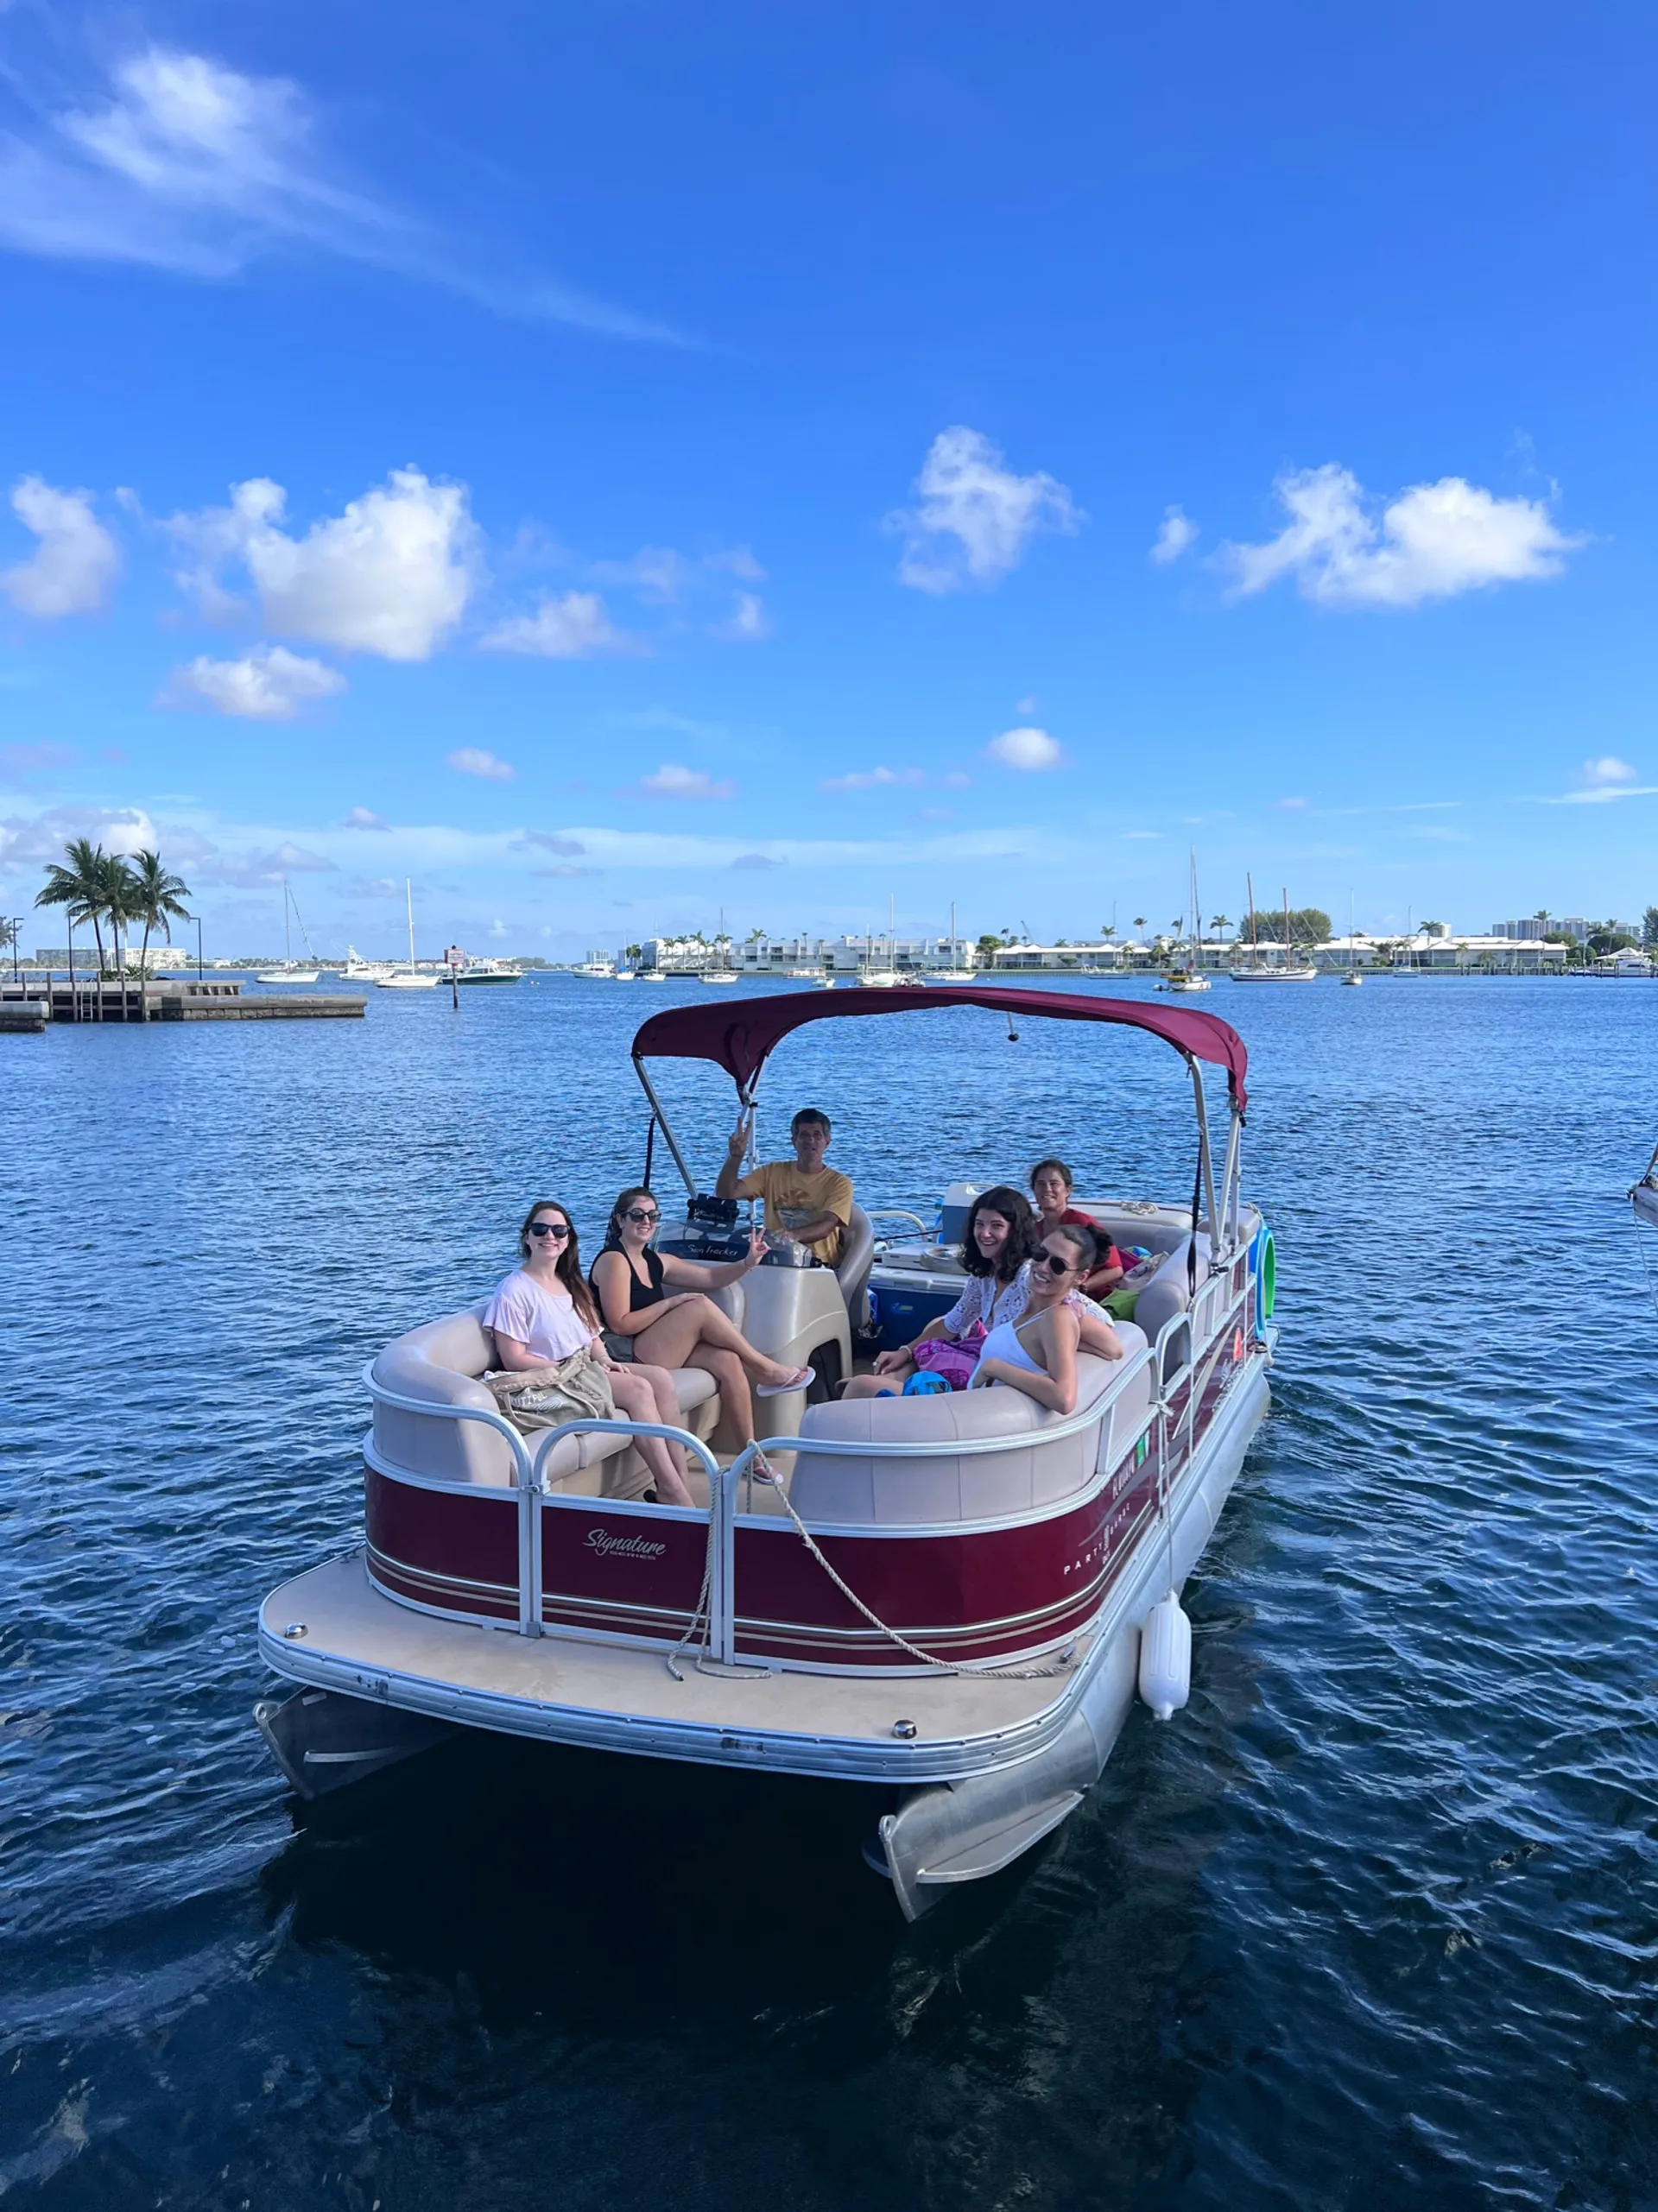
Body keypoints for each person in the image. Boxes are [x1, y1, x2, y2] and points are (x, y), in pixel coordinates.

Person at [483, 1200, 695, 1507]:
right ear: (527, 1237)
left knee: (660, 1379)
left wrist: (606, 1361)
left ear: (568, 1239)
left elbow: (592, 1336)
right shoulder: (513, 1290)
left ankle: (679, 1481)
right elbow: (513, 1358)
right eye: (541, 1229)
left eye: (559, 1231)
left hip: (582, 1368)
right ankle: (673, 1491)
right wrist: (566, 1368)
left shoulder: (570, 1284)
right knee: (638, 1389)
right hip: (551, 1378)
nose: (550, 1236)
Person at [589, 1188, 814, 1464]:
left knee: (728, 1361)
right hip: (626, 1355)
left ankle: (751, 1457)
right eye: (637, 1215)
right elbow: (621, 1324)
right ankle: (764, 1368)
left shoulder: (655, 1261)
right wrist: (671, 1303)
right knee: (698, 1305)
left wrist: (747, 1262)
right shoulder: (614, 1260)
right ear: (620, 1220)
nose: (646, 1221)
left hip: (654, 1345)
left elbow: (710, 1277)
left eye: (653, 1215)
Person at [843, 1185, 1036, 1398]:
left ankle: (870, 1392)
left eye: (996, 1226)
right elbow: (952, 1323)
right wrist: (905, 1351)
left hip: (998, 1385)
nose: (984, 1233)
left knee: (860, 1386)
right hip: (986, 1366)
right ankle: (883, 1386)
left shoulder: (1029, 1278)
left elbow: (1061, 1318)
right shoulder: (985, 1275)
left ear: (1015, 1231)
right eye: (979, 1224)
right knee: (917, 1351)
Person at [969, 1223, 1098, 1416]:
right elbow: (1115, 1349)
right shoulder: (1043, 1309)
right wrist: (1073, 1335)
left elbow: (1064, 1399)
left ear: (1080, 1277)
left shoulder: (1057, 1318)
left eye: (1058, 1265)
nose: (1043, 1267)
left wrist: (994, 1368)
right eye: (1041, 1254)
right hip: (976, 1410)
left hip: (985, 1419)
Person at [715, 1105, 852, 1267]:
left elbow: (827, 1225)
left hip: (819, 1265)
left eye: (817, 1135)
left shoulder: (839, 1182)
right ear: (794, 1141)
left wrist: (792, 1236)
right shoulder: (772, 1172)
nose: (810, 1140)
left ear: (827, 1141)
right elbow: (727, 1193)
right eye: (804, 1135)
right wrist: (735, 1157)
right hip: (774, 1261)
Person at [1029, 1157, 1124, 1299]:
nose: (1047, 1189)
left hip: (1092, 1297)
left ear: (1067, 1190)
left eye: (1054, 1183)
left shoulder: (1082, 1223)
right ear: (1034, 1190)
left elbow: (1116, 1270)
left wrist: (1078, 1289)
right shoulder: (1036, 1229)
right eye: (1040, 1184)